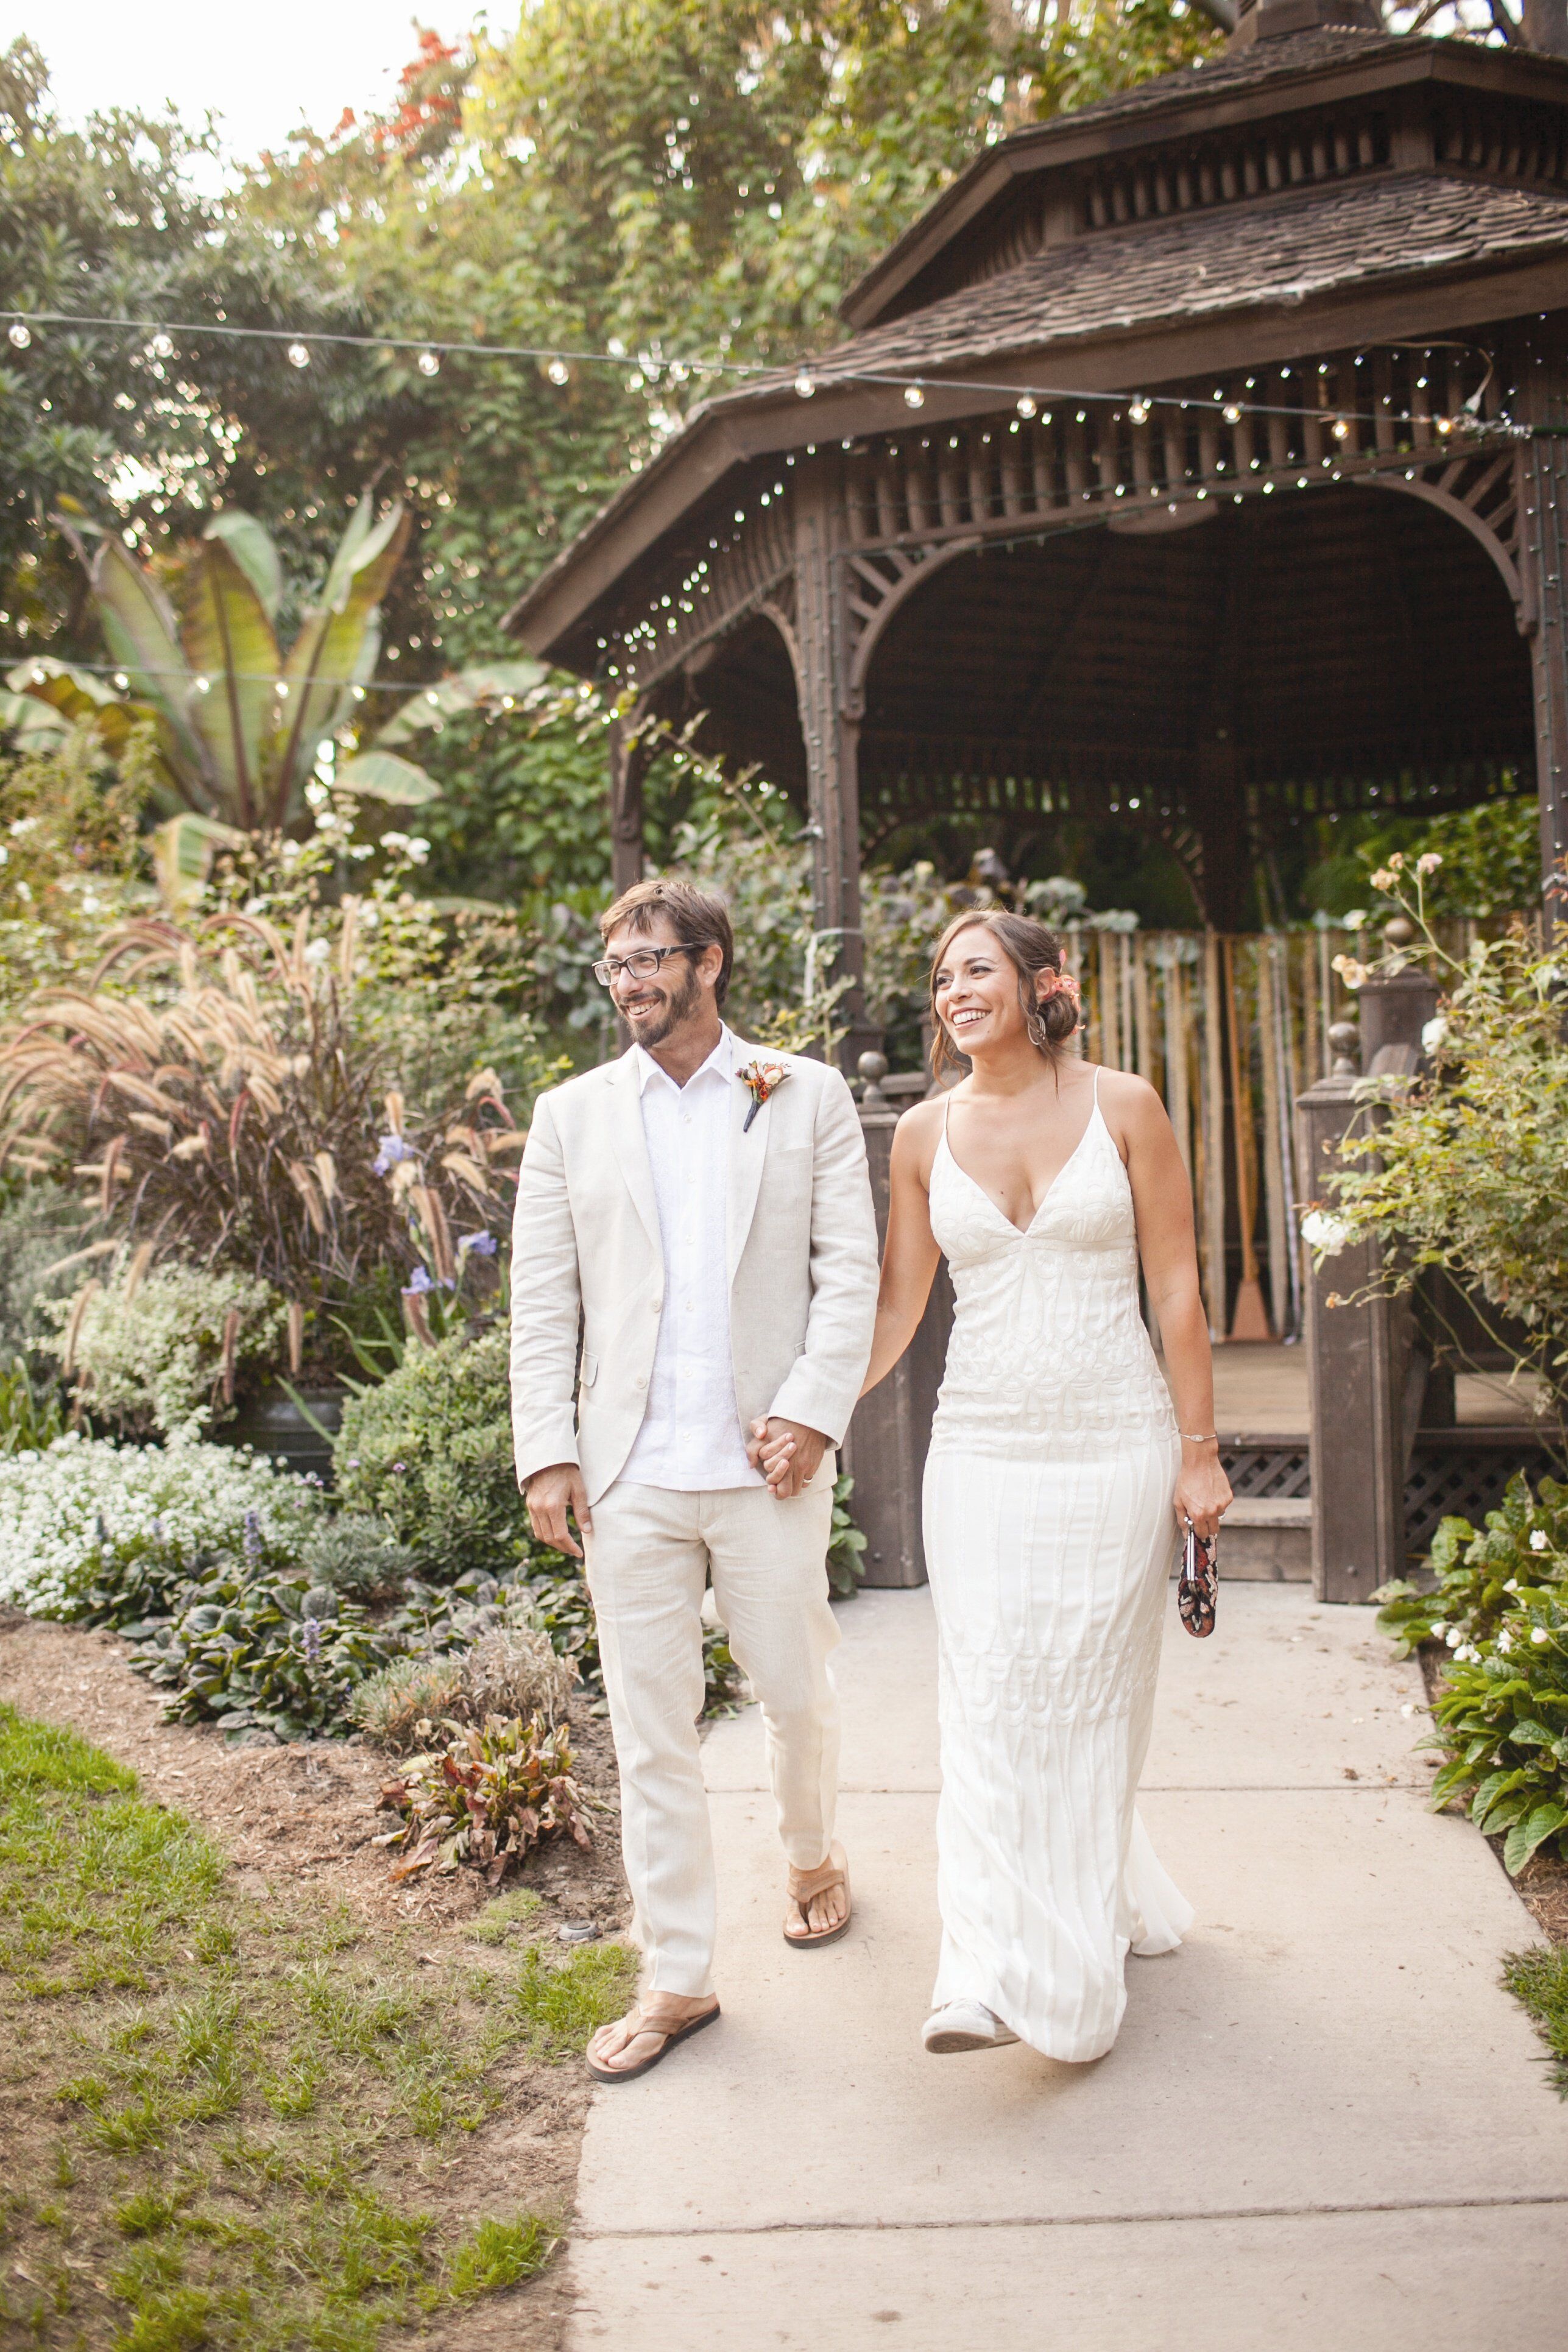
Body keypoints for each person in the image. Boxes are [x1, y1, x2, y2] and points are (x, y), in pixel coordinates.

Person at [797, 909, 1231, 2063]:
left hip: (1114, 1445)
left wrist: (1198, 1451)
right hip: (981, 1449)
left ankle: (1078, 1952)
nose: (950, 991)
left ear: (1045, 983)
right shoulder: (920, 1136)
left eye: (973, 968)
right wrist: (812, 1407)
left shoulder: (1126, 1104)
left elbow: (1178, 1291)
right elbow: (895, 1309)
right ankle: (980, 1972)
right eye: (939, 978)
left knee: (1089, 1705)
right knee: (987, 1703)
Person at [509, 878, 879, 2082]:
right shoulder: (569, 1116)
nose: (630, 982)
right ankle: (677, 1975)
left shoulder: (803, 1093)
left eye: (651, 960)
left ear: (709, 962)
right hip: (633, 1476)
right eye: (614, 964)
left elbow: (849, 1274)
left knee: (797, 1686)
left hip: (766, 1467)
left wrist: (816, 1413)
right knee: (649, 1729)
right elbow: (543, 1301)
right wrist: (549, 1451)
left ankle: (813, 1848)